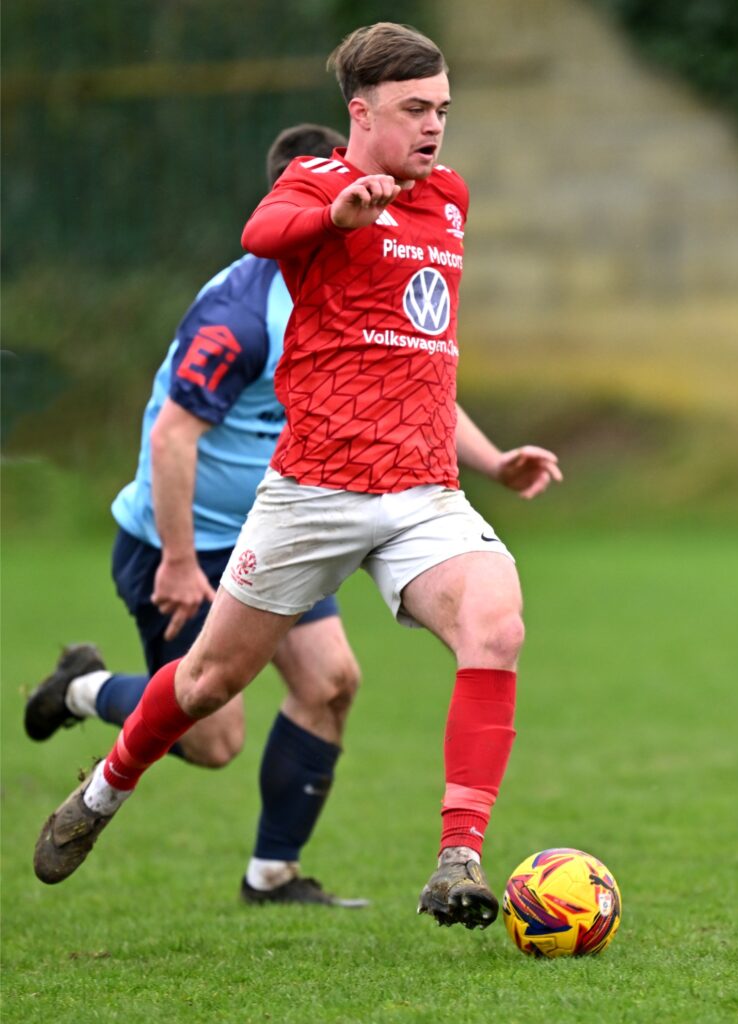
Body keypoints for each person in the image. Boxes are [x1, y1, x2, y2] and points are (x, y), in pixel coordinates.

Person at [33, 23, 563, 932]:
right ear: (361, 113)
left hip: (421, 493)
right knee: (207, 689)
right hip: (314, 494)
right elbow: (262, 230)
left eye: (442, 109)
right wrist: (336, 217)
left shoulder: (449, 198)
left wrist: (489, 459)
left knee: (497, 624)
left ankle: (458, 859)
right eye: (414, 109)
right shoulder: (316, 184)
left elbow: (415, 351)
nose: (434, 126)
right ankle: (103, 791)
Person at [26, 124, 369, 908]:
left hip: (274, 532)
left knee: (331, 682)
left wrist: (489, 461)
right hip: (179, 546)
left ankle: (272, 876)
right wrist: (179, 563)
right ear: (291, 205)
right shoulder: (241, 313)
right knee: (213, 738)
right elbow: (172, 437)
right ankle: (82, 689)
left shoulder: (352, 288)